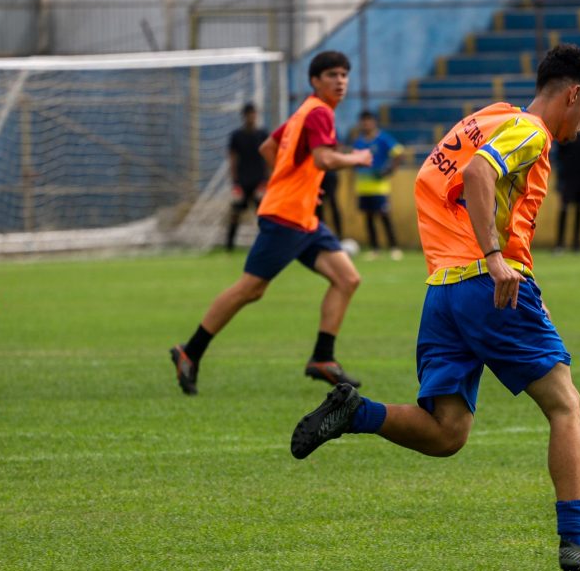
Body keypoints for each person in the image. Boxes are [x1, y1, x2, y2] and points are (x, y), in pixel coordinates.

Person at [287, 44, 580, 571]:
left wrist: (506, 263)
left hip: (444, 290)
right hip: (482, 285)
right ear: (573, 94)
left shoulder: (491, 118)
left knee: (447, 432)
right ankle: (575, 539)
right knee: (565, 404)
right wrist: (492, 258)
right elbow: (477, 175)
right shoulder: (530, 133)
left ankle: (357, 412)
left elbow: (437, 179)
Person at [169, 51, 373, 395]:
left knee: (347, 278)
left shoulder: (304, 112)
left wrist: (299, 182)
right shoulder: (319, 113)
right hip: (287, 218)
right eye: (332, 75)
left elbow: (269, 147)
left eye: (344, 75)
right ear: (315, 80)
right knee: (251, 288)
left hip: (304, 218)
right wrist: (357, 157)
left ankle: (323, 357)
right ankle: (190, 351)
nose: (340, 81)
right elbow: (323, 158)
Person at [351, 109, 408, 260]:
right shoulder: (359, 141)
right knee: (368, 219)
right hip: (363, 187)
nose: (366, 124)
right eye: (363, 121)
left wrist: (389, 170)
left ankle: (394, 248)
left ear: (374, 122)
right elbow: (354, 161)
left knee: (384, 217)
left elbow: (399, 153)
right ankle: (374, 249)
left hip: (380, 187)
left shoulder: (383, 138)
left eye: (368, 120)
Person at [224, 102, 270, 252]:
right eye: (249, 114)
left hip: (259, 182)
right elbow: (232, 159)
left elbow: (269, 158)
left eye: (254, 114)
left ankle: (266, 244)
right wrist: (235, 182)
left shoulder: (263, 134)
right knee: (235, 213)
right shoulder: (236, 136)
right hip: (242, 182)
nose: (252, 117)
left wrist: (266, 181)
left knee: (263, 215)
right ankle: (229, 246)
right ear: (244, 116)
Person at [554, 127, 580, 253]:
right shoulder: (567, 135)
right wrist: (560, 180)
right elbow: (560, 157)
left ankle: (576, 244)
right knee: (564, 208)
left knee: (579, 209)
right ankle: (559, 244)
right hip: (567, 178)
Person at [317, 170, 344, 239]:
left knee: (331, 204)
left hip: (328, 175)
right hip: (319, 175)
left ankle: (339, 235)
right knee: (319, 207)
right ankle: (320, 235)